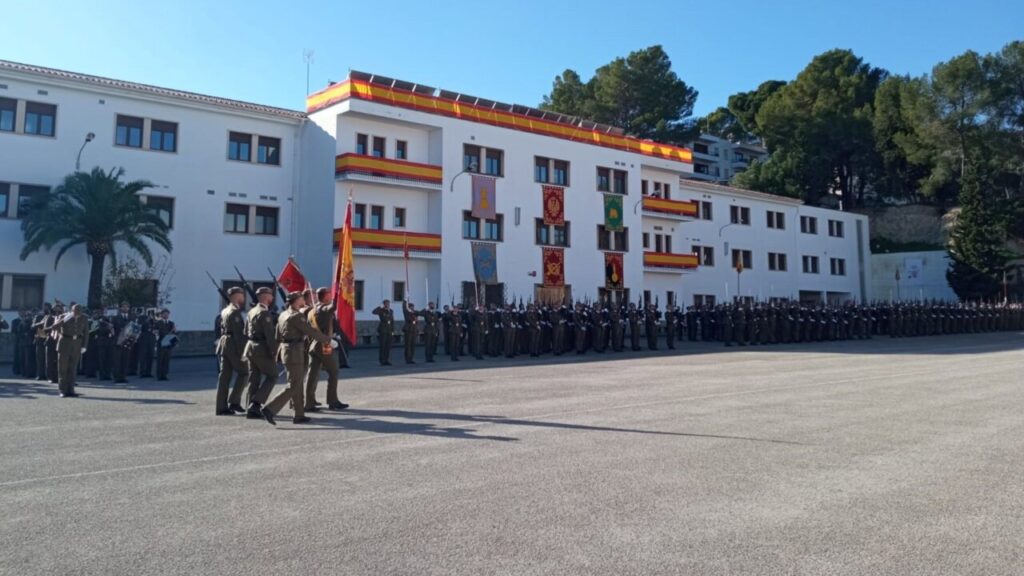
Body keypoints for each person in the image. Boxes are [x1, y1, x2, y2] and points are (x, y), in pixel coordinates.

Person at [260, 291, 332, 426]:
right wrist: (327, 340)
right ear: (295, 301)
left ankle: (299, 414)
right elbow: (311, 331)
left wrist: (276, 353)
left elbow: (277, 336)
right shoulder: (296, 316)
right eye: (300, 298)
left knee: (296, 383)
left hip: (287, 350)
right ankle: (269, 409)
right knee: (294, 384)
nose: (303, 300)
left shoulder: (283, 314)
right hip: (294, 352)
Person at [305, 287, 349, 412]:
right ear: (325, 297)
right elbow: (332, 307)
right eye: (329, 294)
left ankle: (309, 402)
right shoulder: (324, 309)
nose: (330, 297)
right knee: (334, 371)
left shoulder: (311, 311)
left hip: (314, 344)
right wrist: (338, 294)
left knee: (312, 374)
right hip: (324, 345)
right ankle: (333, 401)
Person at [243, 288, 278, 419]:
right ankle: (256, 404)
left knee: (254, 378)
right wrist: (274, 351)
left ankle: (250, 409)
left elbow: (245, 330)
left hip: (250, 347)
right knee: (272, 376)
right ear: (265, 296)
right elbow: (269, 335)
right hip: (261, 348)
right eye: (271, 295)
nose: (272, 298)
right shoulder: (264, 313)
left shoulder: (251, 311)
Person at [215, 287, 249, 415]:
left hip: (224, 344)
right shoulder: (234, 312)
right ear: (236, 296)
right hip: (232, 344)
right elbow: (239, 335)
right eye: (242, 294)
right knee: (244, 372)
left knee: (224, 376)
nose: (243, 297)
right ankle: (234, 401)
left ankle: (221, 407)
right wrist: (243, 352)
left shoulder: (225, 310)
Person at [55, 304, 90, 398]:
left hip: (76, 345)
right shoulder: (64, 316)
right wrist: (64, 319)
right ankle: (62, 390)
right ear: (72, 311)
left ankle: (71, 390)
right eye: (75, 312)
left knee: (73, 369)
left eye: (79, 312)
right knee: (63, 369)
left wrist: (84, 346)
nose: (77, 314)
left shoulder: (84, 318)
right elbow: (54, 327)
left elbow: (86, 333)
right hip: (64, 344)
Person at [110, 303, 133, 383]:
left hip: (127, 342)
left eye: (127, 307)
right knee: (117, 360)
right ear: (120, 308)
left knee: (125, 360)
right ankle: (116, 377)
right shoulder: (115, 318)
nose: (125, 308)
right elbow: (112, 329)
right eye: (124, 307)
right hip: (118, 341)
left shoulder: (131, 318)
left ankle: (123, 376)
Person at [155, 309, 176, 380]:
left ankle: (165, 375)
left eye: (167, 314)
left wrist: (174, 331)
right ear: (161, 315)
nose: (166, 315)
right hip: (161, 343)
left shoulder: (171, 323)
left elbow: (173, 334)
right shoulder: (158, 323)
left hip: (168, 344)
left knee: (166, 360)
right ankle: (159, 375)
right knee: (160, 360)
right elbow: (156, 333)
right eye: (164, 314)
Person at [372, 300, 394, 366]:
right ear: (384, 304)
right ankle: (382, 361)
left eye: (388, 303)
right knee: (383, 346)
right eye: (386, 303)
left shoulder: (391, 311)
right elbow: (373, 312)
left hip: (389, 330)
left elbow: (392, 321)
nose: (388, 304)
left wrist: (392, 331)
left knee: (388, 346)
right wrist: (379, 307)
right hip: (383, 330)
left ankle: (386, 360)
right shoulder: (381, 310)